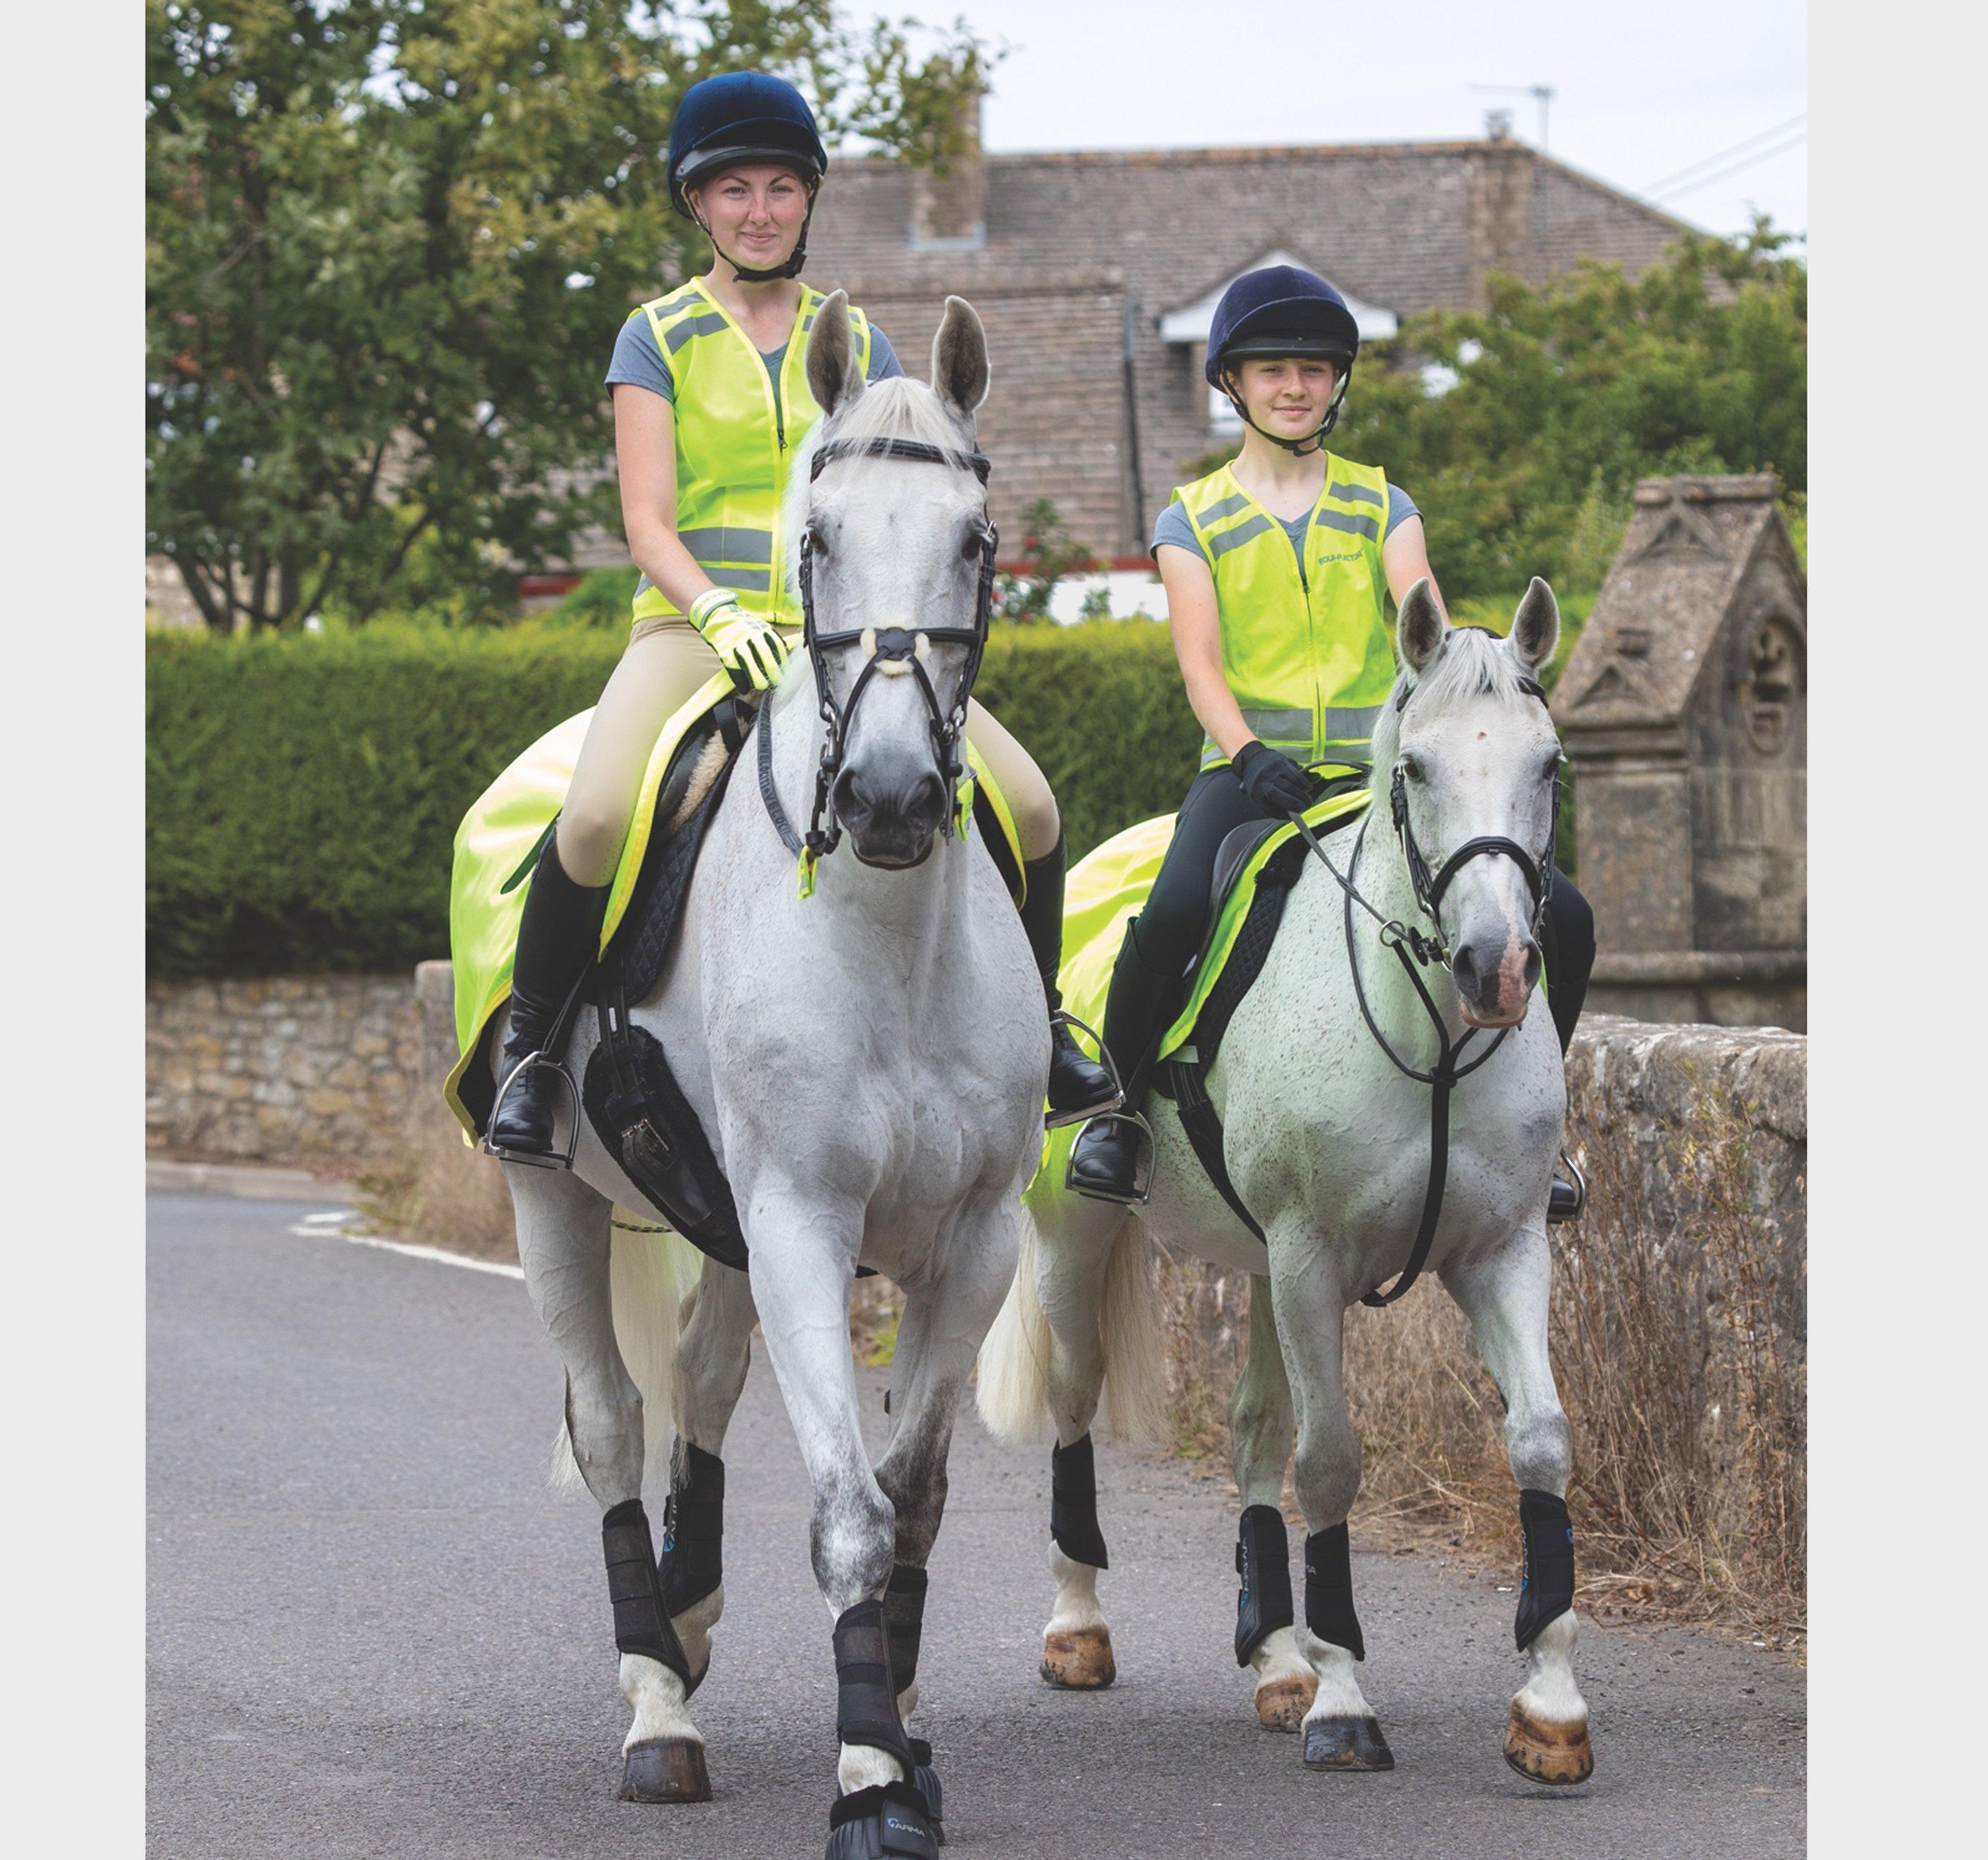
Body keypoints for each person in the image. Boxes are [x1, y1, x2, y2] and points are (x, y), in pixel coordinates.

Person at [487, 72, 1117, 1160]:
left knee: (1034, 804)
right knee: (592, 817)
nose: (760, 210)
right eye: (734, 190)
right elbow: (645, 521)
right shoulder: (657, 336)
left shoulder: (862, 345)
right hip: (691, 631)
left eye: (781, 188)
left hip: (853, 646)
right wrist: (716, 609)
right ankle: (534, 1055)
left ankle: (1049, 1026)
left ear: (809, 199)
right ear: (697, 203)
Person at [1066, 265, 1594, 1216]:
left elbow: (1419, 613)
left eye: (1313, 368)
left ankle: (1543, 1138)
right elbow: (1201, 667)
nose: (1295, 387)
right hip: (1250, 773)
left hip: (1372, 779)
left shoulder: (1381, 504)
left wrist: (1475, 678)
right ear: (1232, 382)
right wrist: (1245, 754)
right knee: (1177, 912)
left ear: (1338, 383)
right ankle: (1118, 1114)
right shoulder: (1193, 517)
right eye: (1272, 369)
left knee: (1572, 917)